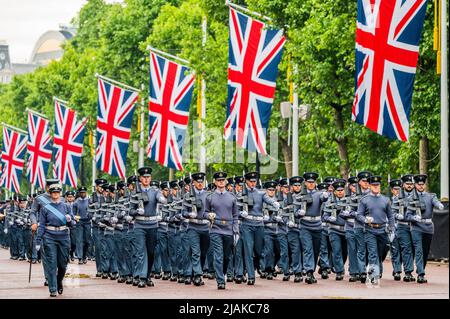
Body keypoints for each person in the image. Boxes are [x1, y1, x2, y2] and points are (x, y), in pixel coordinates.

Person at [129, 166, 167, 288]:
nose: (146, 179)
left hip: (152, 225)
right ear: (140, 178)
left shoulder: (155, 191)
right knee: (140, 252)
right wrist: (136, 212)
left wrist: (162, 199)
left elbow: (160, 198)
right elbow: (130, 211)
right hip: (139, 225)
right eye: (144, 177)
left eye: (148, 177)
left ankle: (148, 275)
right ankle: (142, 277)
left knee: (151, 252)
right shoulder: (135, 193)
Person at [35, 182, 75, 297]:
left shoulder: (66, 206)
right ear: (50, 194)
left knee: (63, 264)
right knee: (51, 264)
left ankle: (59, 281)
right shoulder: (45, 208)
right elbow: (42, 225)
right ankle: (53, 289)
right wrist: (38, 240)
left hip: (63, 236)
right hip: (49, 237)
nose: (55, 194)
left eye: (57, 192)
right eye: (53, 192)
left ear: (60, 193)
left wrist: (69, 220)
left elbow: (72, 224)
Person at [240, 172, 280, 285]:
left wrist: (274, 202)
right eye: (250, 181)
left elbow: (268, 199)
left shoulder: (261, 193)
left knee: (258, 251)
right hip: (247, 224)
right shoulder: (241, 193)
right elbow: (236, 208)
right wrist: (240, 213)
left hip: (259, 224)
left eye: (254, 181)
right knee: (248, 249)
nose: (253, 183)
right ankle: (251, 276)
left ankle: (256, 265)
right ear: (246, 181)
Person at [405, 174, 444, 284]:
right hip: (416, 227)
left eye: (422, 184)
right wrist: (413, 217)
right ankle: (421, 274)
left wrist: (439, 205)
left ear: (424, 185)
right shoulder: (411, 198)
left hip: (428, 227)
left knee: (425, 251)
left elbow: (435, 202)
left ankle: (421, 268)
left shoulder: (431, 196)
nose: (421, 186)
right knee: (418, 250)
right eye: (419, 184)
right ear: (415, 185)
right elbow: (407, 216)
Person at [356, 175, 395, 284]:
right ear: (370, 186)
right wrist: (365, 219)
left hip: (383, 230)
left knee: (381, 253)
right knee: (373, 253)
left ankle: (376, 268)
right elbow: (359, 215)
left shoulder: (386, 200)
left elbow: (391, 216)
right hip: (370, 229)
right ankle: (373, 276)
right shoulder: (364, 200)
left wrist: (392, 228)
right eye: (374, 185)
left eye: (377, 185)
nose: (376, 187)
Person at [204, 172, 239, 289]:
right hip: (215, 229)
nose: (220, 182)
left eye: (222, 180)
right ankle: (220, 280)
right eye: (218, 180)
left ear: (226, 181)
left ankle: (222, 273)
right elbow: (204, 212)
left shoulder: (232, 197)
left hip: (229, 229)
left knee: (227, 257)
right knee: (218, 255)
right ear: (215, 182)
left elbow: (235, 215)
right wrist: (209, 215)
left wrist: (236, 230)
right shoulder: (210, 197)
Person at [182, 172, 210, 286]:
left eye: (201, 182)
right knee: (196, 252)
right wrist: (189, 215)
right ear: (193, 183)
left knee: (203, 253)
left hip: (205, 227)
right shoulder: (187, 196)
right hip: (193, 226)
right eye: (197, 182)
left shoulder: (209, 195)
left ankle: (197, 271)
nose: (200, 184)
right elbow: (183, 212)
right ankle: (198, 275)